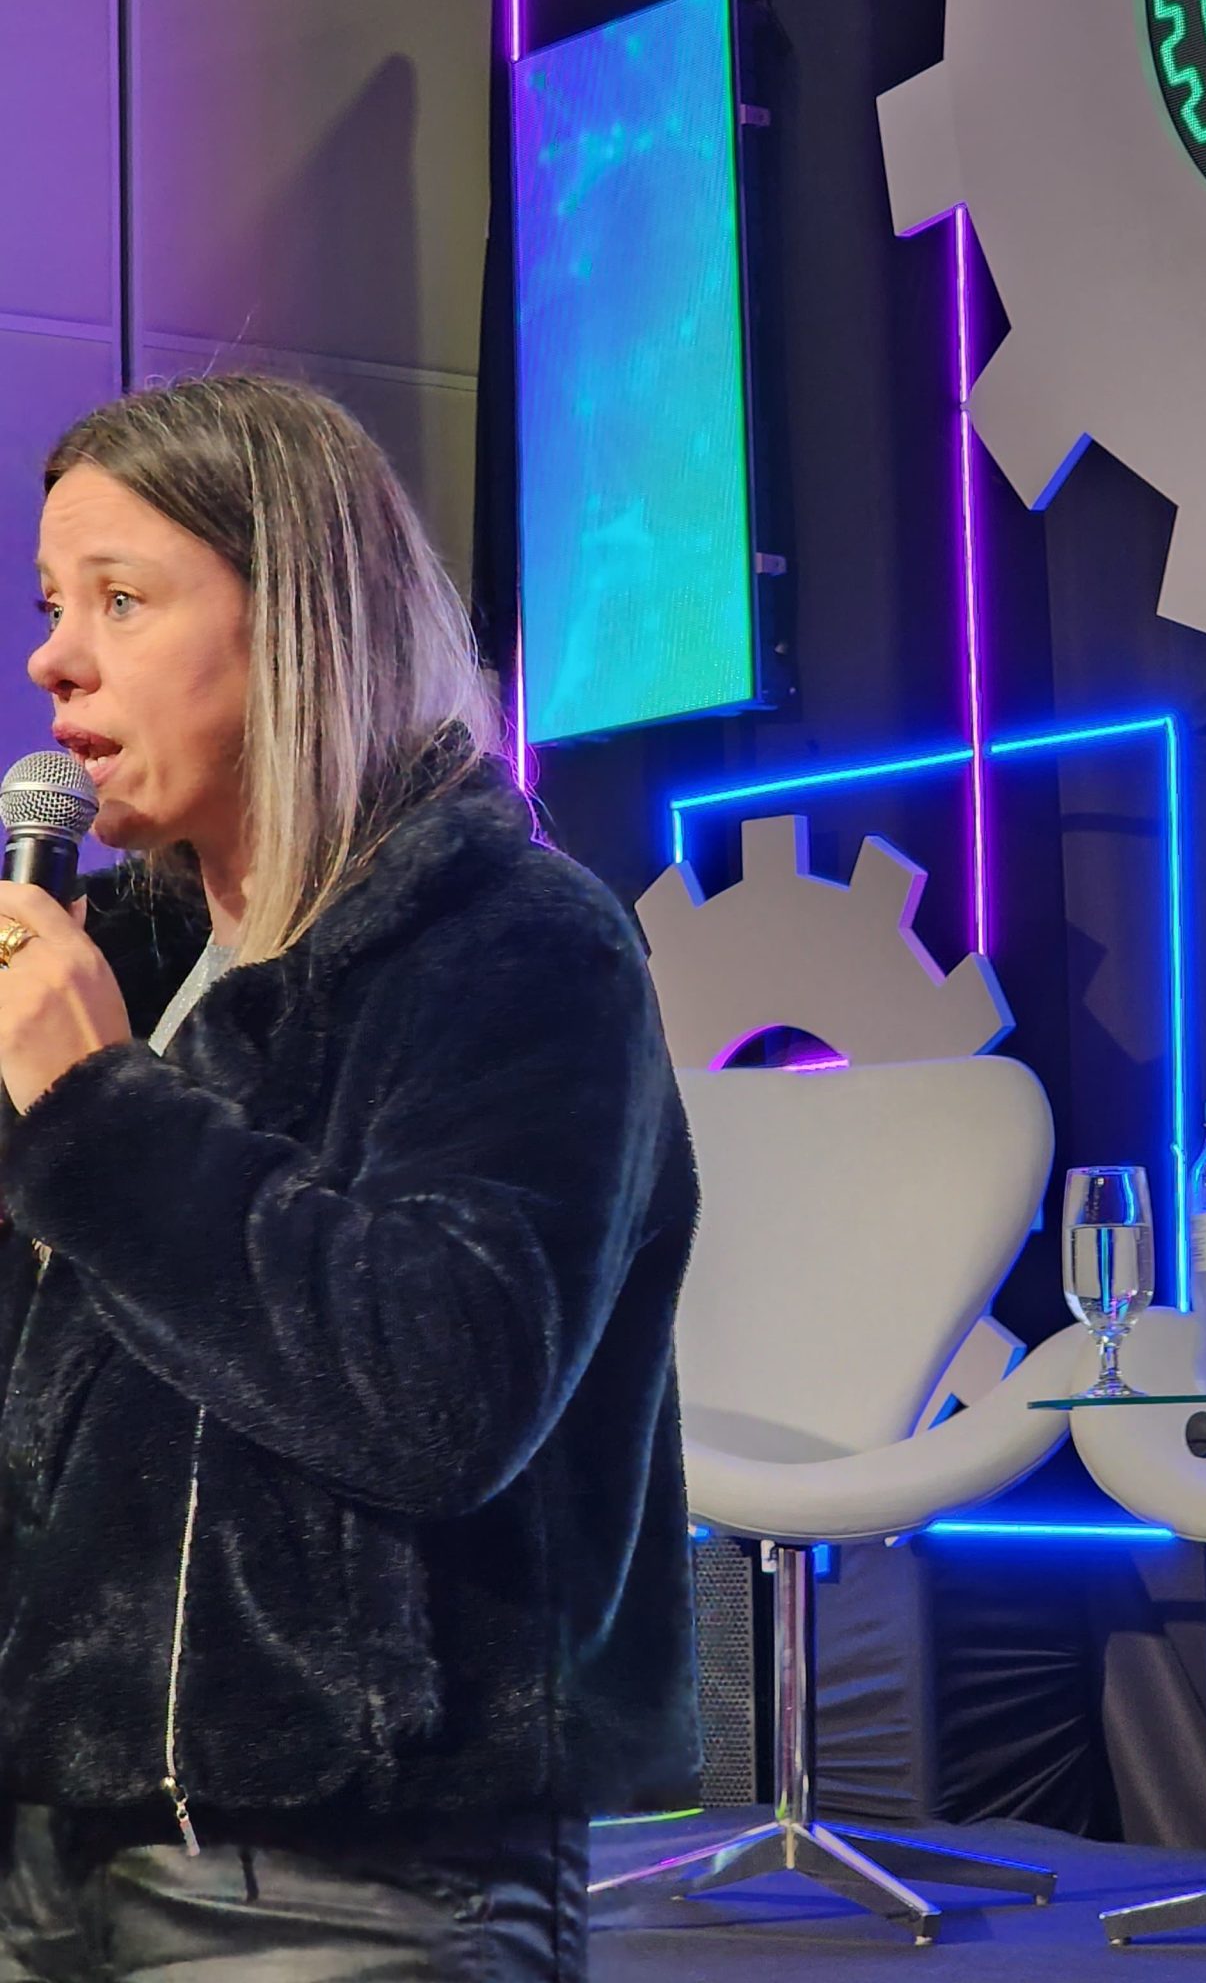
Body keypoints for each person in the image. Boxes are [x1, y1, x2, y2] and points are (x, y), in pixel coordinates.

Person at [0, 373, 701, 1980]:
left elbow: (438, 1392)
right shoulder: (129, 967)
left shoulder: (512, 944)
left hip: (343, 1862)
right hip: (51, 1835)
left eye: (120, 599)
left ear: (299, 623)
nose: (54, 657)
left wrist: (94, 1115)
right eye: (51, 604)